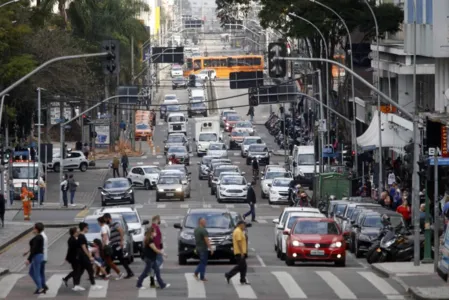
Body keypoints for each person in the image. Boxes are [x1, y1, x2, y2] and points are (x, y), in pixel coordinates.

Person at [103, 213, 134, 279]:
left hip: (117, 244)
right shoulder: (108, 226)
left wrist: (121, 241)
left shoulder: (115, 224)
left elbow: (121, 231)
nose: (105, 220)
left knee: (111, 259)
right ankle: (129, 272)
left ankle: (107, 272)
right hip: (113, 244)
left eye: (105, 219)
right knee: (116, 259)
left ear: (108, 218)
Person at [74, 222, 102, 291]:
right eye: (87, 228)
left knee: (81, 271)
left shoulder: (80, 236)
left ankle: (76, 285)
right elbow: (84, 247)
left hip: (81, 256)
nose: (88, 229)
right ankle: (93, 285)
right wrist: (89, 256)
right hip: (83, 256)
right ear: (84, 228)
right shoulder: (82, 236)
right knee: (90, 270)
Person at [225, 221, 249, 285]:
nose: (244, 227)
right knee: (241, 266)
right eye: (244, 225)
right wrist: (241, 252)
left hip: (240, 252)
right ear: (240, 225)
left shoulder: (239, 231)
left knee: (244, 266)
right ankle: (228, 274)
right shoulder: (238, 231)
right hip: (239, 252)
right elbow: (239, 242)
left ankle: (242, 279)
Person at [24, 222, 45, 294]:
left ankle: (40, 288)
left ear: (36, 229)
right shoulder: (39, 237)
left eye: (34, 228)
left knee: (36, 273)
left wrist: (28, 259)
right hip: (38, 255)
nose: (33, 229)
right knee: (31, 272)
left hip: (37, 256)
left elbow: (34, 249)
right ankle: (40, 287)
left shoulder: (37, 238)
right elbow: (34, 247)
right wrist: (27, 252)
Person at [149, 215, 163, 288]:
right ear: (157, 219)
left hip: (154, 247)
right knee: (160, 260)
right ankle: (152, 270)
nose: (160, 221)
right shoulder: (155, 227)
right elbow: (156, 239)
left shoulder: (152, 226)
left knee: (156, 262)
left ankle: (152, 278)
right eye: (159, 219)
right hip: (155, 248)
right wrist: (159, 248)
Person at [40, 223, 49, 292]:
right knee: (41, 272)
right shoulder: (43, 236)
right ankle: (43, 285)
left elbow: (41, 248)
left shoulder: (41, 236)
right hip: (44, 257)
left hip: (41, 257)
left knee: (37, 272)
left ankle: (42, 286)